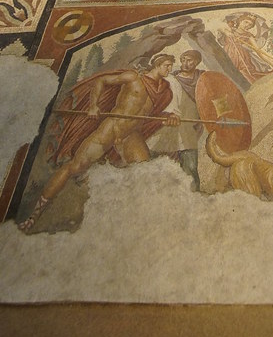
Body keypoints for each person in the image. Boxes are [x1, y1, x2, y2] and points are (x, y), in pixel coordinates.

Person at [19, 54, 180, 231]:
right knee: (75, 166)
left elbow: (152, 115)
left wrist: (168, 117)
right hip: (112, 128)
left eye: (171, 66)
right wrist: (93, 106)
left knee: (144, 174)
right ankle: (34, 216)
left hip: (131, 135)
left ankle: (136, 224)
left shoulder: (165, 91)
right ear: (157, 64)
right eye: (167, 65)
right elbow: (101, 81)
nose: (170, 69)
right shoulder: (133, 77)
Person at [150, 49, 206, 189]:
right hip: (169, 124)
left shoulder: (203, 78)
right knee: (159, 159)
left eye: (189, 60)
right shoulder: (172, 79)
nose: (185, 63)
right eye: (183, 60)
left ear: (197, 62)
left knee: (190, 165)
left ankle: (193, 194)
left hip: (189, 126)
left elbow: (215, 96)